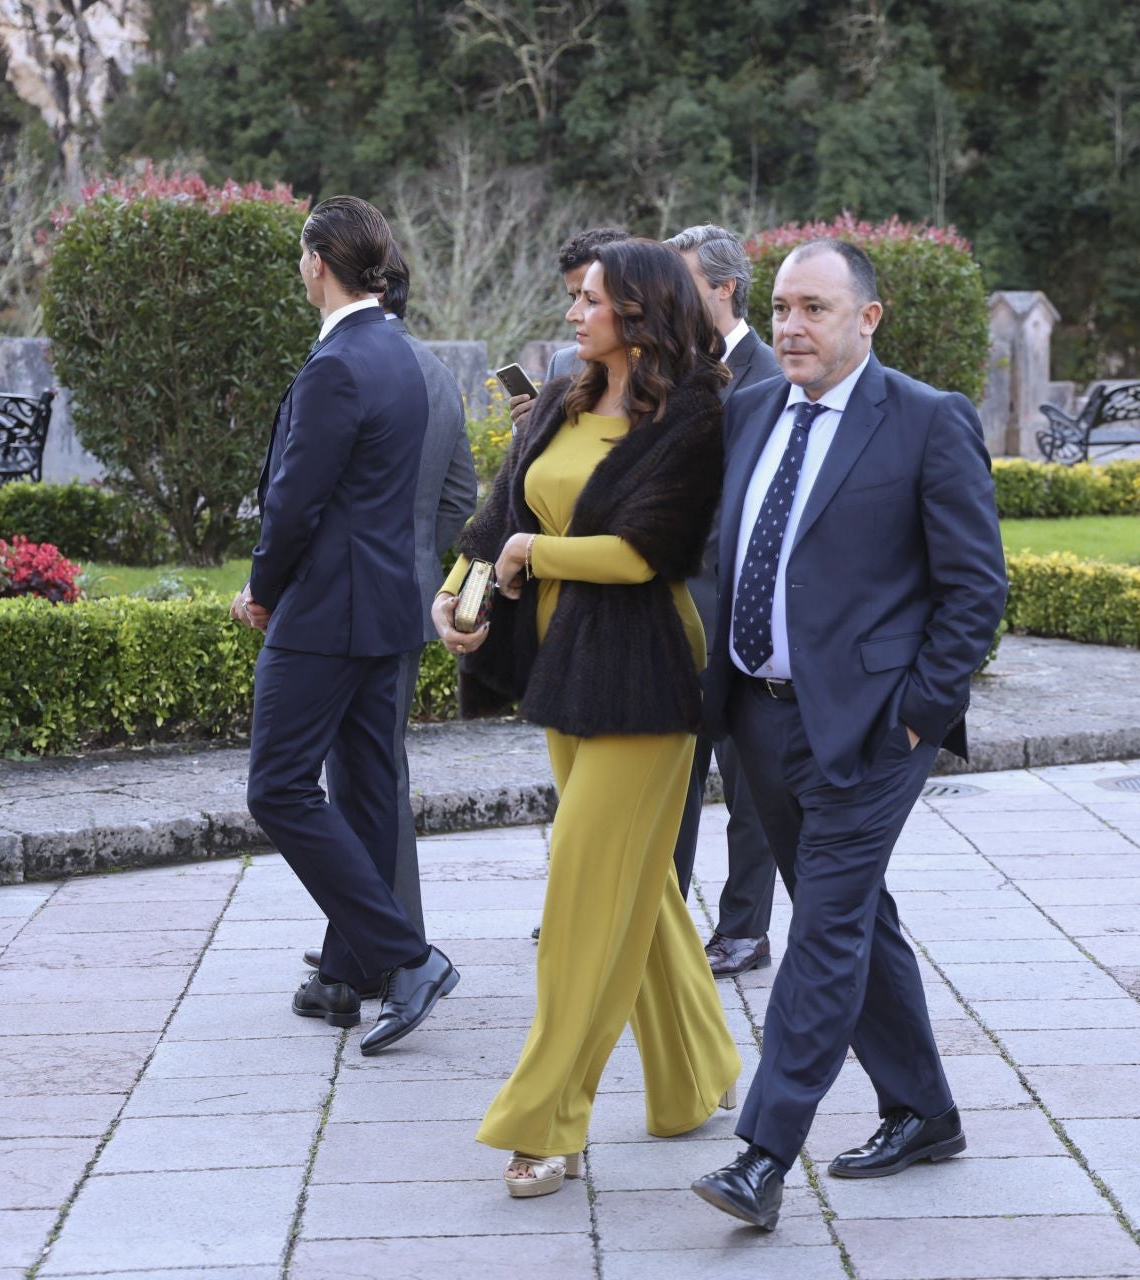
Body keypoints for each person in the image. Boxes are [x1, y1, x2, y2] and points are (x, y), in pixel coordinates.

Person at [690, 240, 1007, 1230]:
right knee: (858, 914)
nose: (791, 324)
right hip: (760, 716)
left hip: (874, 732)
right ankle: (923, 1107)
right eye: (783, 306)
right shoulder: (748, 410)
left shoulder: (925, 420)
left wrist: (916, 710)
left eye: (815, 308)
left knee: (823, 927)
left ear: (867, 318)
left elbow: (975, 586)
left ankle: (762, 1151)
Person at [438, 238, 741, 1199]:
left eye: (594, 300)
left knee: (580, 891)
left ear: (641, 313)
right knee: (635, 885)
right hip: (561, 669)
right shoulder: (567, 394)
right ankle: (697, 1075)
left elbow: (650, 553)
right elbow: (497, 517)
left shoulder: (697, 409)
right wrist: (462, 591)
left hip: (647, 672)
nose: (575, 313)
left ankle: (550, 1117)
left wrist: (537, 551)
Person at [236, 195, 460, 1055]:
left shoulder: (338, 363)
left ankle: (407, 957)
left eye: (302, 258)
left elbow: (296, 502)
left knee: (280, 788)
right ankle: (354, 969)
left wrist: (263, 589)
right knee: (368, 793)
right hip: (391, 608)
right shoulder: (403, 355)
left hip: (327, 612)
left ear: (317, 264)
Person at [297, 248, 478, 986]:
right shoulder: (436, 373)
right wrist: (421, 574)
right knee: (374, 777)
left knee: (348, 782)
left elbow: (311, 497)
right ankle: (365, 951)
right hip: (407, 597)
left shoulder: (351, 366)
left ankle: (388, 952)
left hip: (340, 604)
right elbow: (460, 497)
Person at [664, 223, 784, 977]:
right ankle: (658, 912)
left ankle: (745, 927)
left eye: (683, 287)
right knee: (672, 769)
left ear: (724, 290)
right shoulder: (674, 369)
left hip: (740, 606)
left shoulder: (767, 374)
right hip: (678, 598)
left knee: (750, 780)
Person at [509, 227, 630, 427]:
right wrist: (532, 428)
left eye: (591, 299)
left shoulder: (679, 378)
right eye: (573, 297)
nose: (572, 314)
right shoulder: (564, 363)